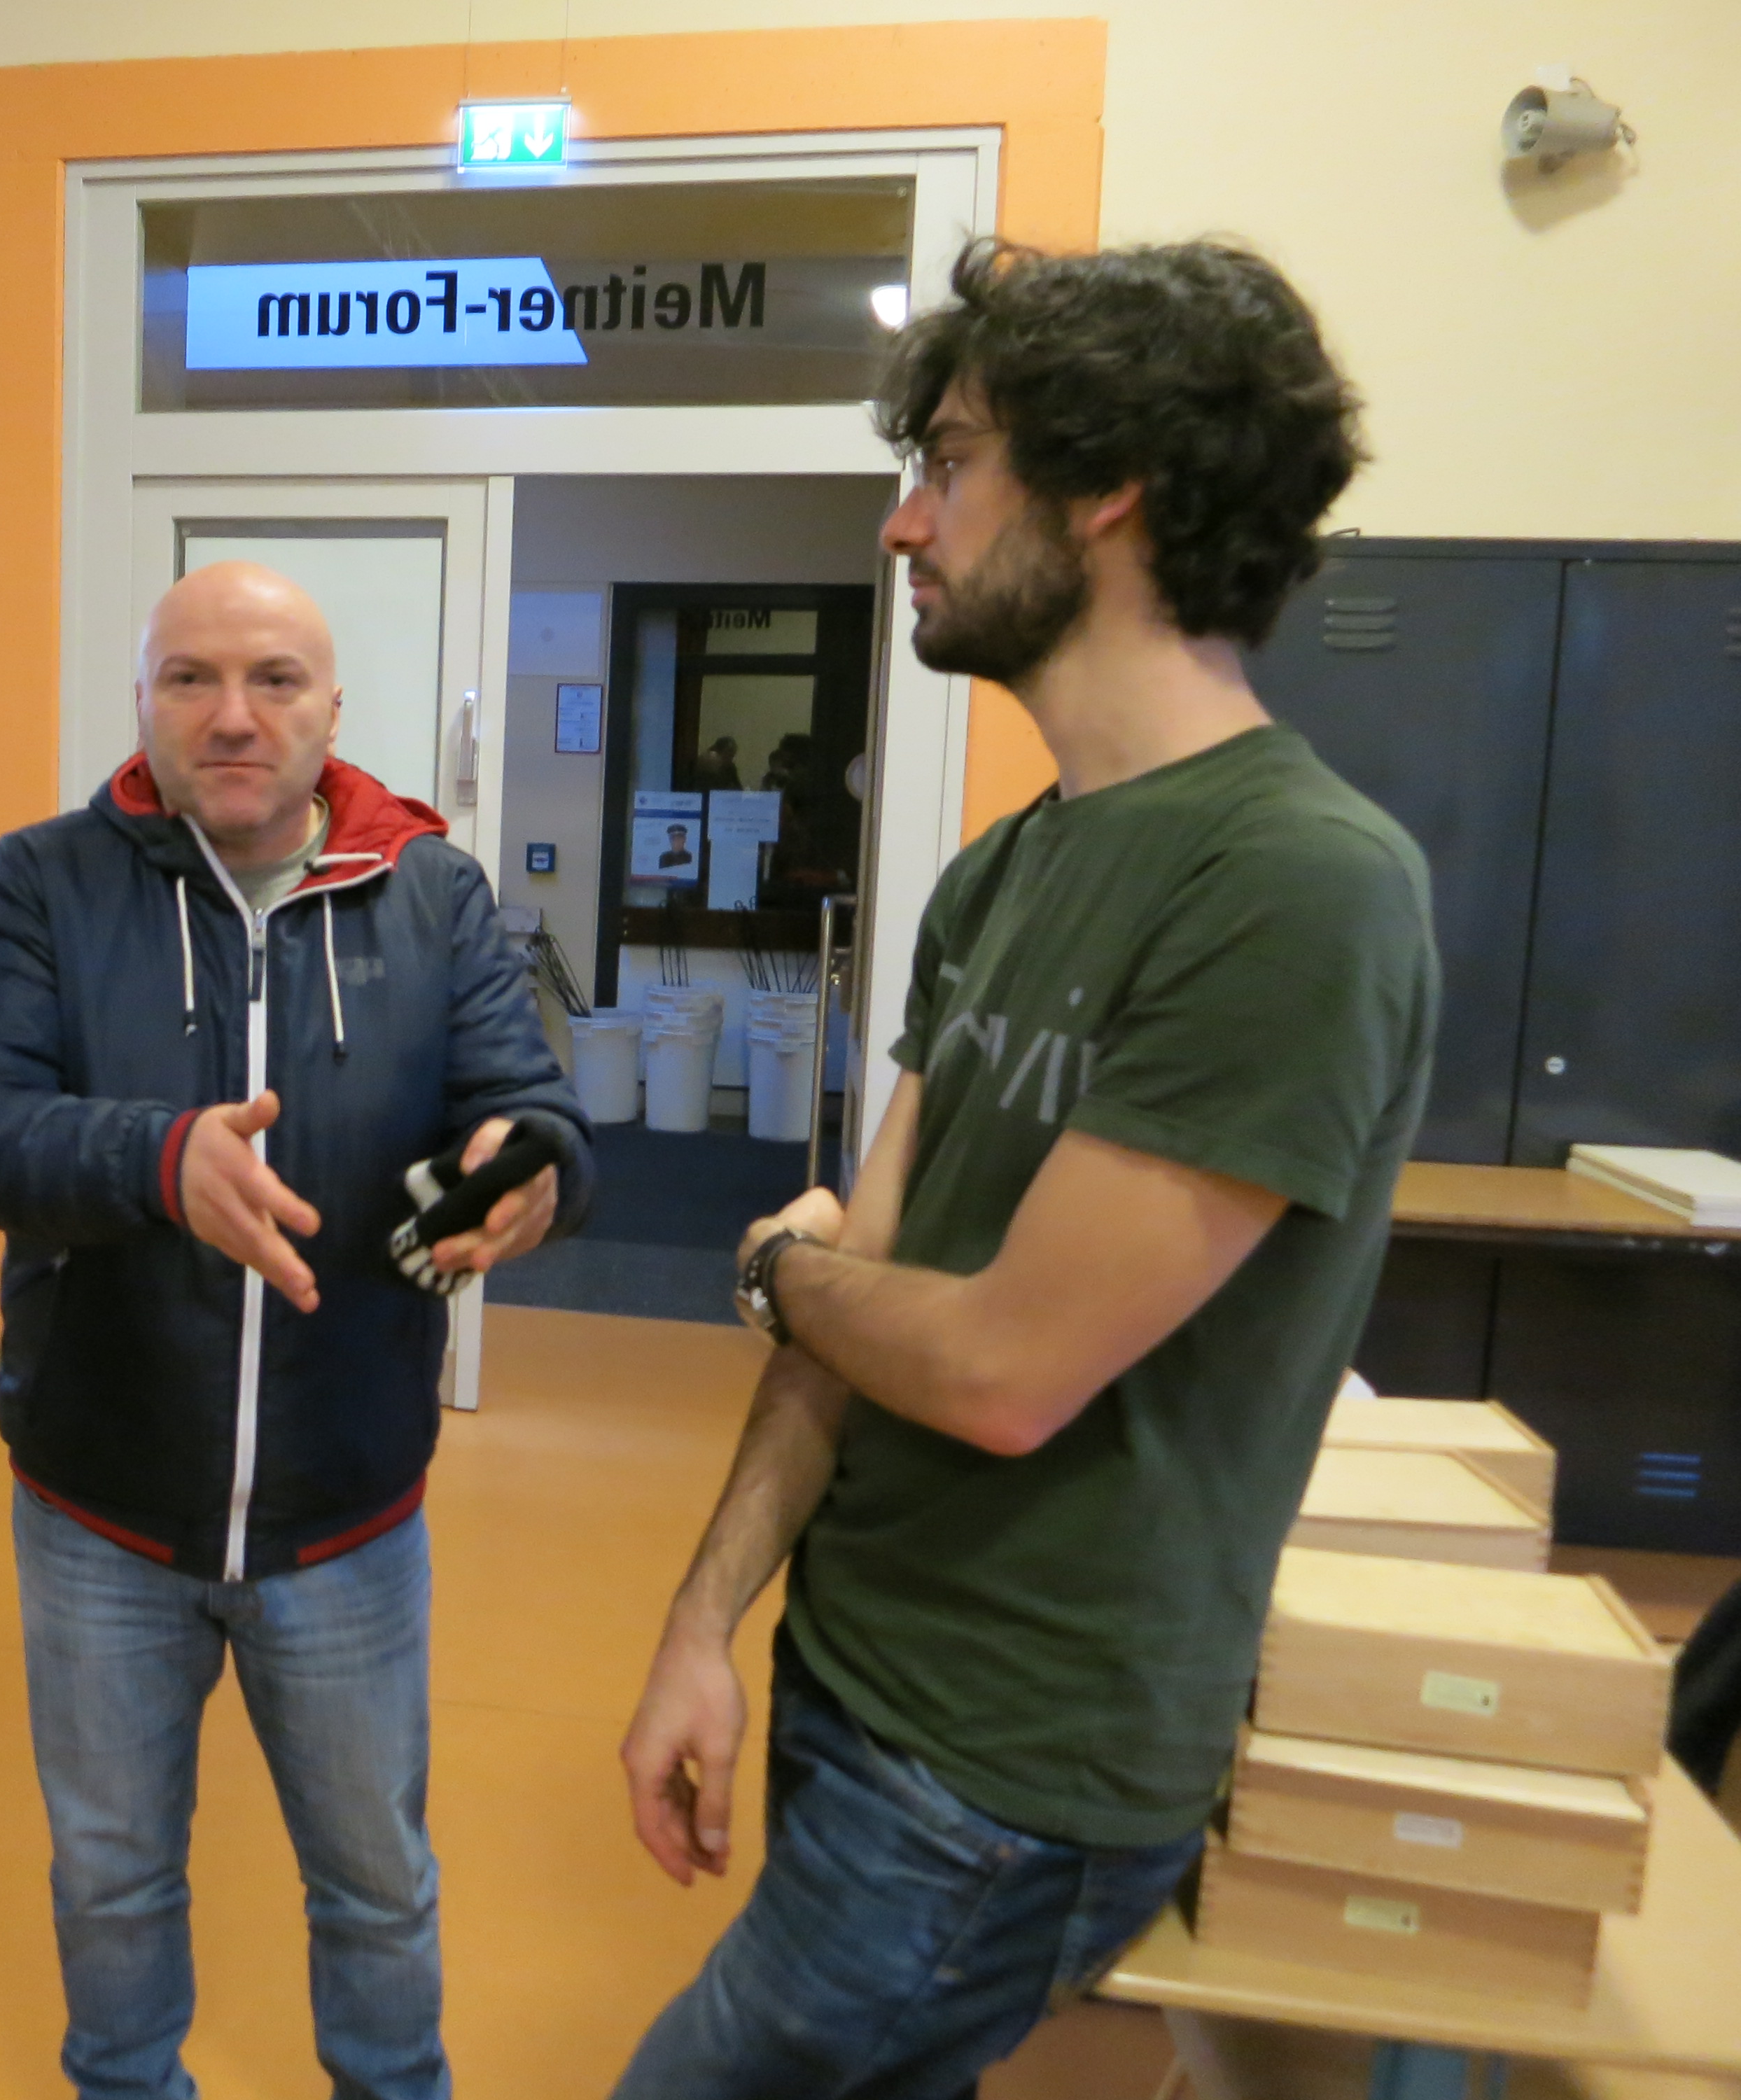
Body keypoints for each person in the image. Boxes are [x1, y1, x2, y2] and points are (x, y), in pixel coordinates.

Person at [612, 238, 1436, 2100]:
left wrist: (775, 1268)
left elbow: (993, 1368)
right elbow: (866, 1284)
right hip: (856, 1672)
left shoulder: (1296, 884)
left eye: (950, 464)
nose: (905, 524)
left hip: (1004, 1767)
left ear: (1108, 485)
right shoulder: (1008, 868)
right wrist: (703, 1623)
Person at [0, 560, 594, 2100]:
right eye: (190, 679)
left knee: (375, 1878)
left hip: (347, 1511)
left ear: (331, 707)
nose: (231, 716)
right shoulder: (46, 881)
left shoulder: (430, 890)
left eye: (273, 680)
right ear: (142, 702)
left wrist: (536, 1168)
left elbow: (532, 1103)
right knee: (111, 1874)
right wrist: (156, 1161)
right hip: (101, 1503)